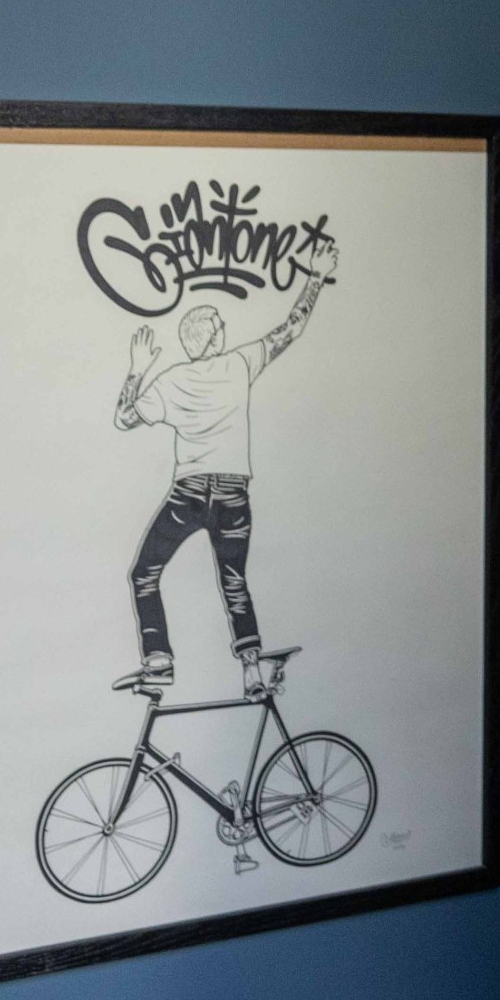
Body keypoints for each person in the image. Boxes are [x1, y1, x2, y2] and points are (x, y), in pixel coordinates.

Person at [110, 244, 338, 700]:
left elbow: (124, 418)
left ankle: (158, 661)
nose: (224, 331)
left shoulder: (170, 379)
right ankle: (252, 672)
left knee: (144, 574)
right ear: (213, 339)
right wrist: (314, 276)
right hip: (234, 493)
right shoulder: (239, 363)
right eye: (220, 326)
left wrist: (136, 371)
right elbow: (291, 329)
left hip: (189, 493)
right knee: (234, 581)